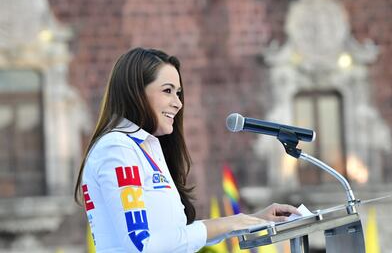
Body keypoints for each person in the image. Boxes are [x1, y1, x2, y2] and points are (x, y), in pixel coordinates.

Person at [74, 47, 299, 252]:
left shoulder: (145, 147)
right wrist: (231, 222)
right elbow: (141, 244)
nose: (178, 103)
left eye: (178, 93)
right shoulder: (117, 149)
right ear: (136, 93)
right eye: (167, 90)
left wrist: (252, 220)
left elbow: (175, 236)